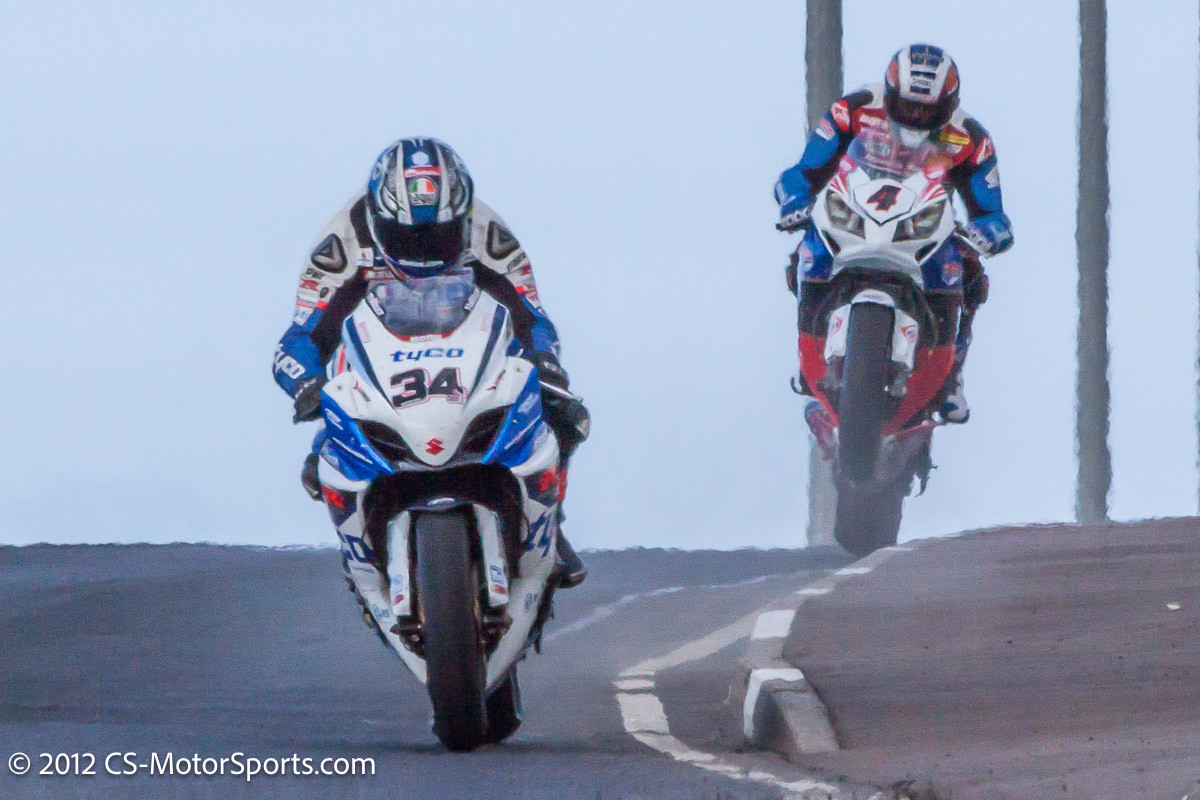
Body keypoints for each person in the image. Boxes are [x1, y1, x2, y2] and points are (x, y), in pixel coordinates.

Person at [272, 137, 589, 586]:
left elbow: (531, 315)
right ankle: (362, 551)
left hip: (466, 344)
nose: (423, 249)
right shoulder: (342, 242)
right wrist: (306, 383)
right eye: (408, 236)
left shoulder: (487, 232)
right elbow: (299, 337)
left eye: (439, 235)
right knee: (325, 440)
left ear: (461, 218)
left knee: (563, 412)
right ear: (379, 217)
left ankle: (551, 526)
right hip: (381, 357)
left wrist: (546, 362)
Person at [774, 43, 1013, 423]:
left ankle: (953, 378)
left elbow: (992, 211)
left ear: (948, 105)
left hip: (926, 218)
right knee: (805, 252)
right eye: (908, 106)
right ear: (890, 95)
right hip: (855, 207)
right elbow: (802, 171)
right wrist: (794, 200)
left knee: (970, 273)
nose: (916, 116)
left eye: (928, 110)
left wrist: (989, 232)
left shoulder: (970, 138)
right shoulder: (854, 108)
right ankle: (808, 354)